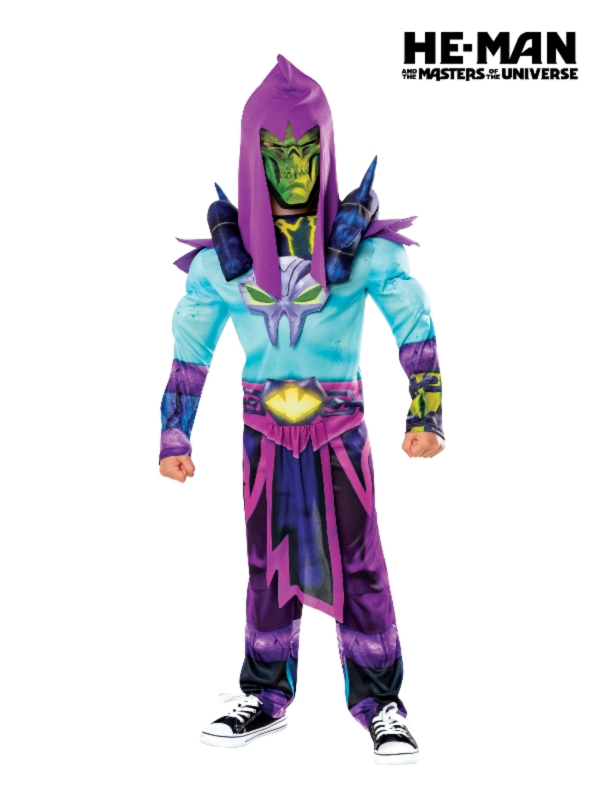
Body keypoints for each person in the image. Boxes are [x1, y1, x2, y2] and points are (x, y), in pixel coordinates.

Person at [159, 55, 444, 766]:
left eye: (306, 151)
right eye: (278, 154)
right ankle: (264, 693)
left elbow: (414, 325)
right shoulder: (220, 266)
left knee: (361, 566)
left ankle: (381, 703)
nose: (294, 171)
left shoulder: (369, 255)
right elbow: (191, 352)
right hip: (264, 437)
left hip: (340, 434)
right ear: (252, 154)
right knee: (268, 567)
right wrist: (174, 432)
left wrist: (425, 413)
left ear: (327, 148)